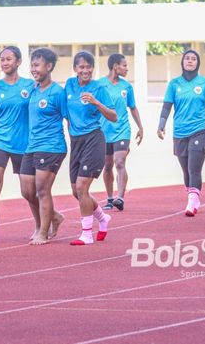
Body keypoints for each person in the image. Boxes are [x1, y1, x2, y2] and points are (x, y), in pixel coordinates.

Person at [0, 46, 38, 244]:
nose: (5, 63)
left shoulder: (30, 86)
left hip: (24, 144)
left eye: (9, 59)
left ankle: (40, 225)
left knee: (29, 191)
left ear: (19, 62)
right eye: (2, 59)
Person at [65, 51, 117, 245]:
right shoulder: (69, 85)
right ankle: (103, 218)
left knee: (82, 187)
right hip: (75, 141)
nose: (85, 70)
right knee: (75, 191)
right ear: (75, 69)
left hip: (94, 139)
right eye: (81, 67)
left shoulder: (99, 88)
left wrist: (96, 102)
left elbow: (113, 116)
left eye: (88, 67)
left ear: (93, 69)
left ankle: (86, 234)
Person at [158, 49, 205, 218]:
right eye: (187, 58)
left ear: (198, 63)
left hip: (199, 131)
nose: (190, 61)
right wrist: (161, 125)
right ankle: (194, 197)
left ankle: (191, 202)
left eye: (193, 59)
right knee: (186, 172)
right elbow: (167, 106)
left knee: (194, 168)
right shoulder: (174, 84)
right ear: (182, 62)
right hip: (180, 132)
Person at [21, 48, 67, 245]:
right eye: (32, 65)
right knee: (27, 191)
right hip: (31, 146)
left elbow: (69, 119)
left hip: (51, 146)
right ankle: (54, 217)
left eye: (37, 65)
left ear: (49, 66)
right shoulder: (32, 89)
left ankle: (42, 231)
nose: (33, 69)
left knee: (42, 190)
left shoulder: (57, 92)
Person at [99, 53, 143, 211]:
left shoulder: (126, 87)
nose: (127, 68)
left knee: (119, 162)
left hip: (122, 130)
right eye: (124, 65)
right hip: (104, 131)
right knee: (107, 165)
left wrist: (140, 127)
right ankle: (110, 198)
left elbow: (132, 107)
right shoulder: (99, 85)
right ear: (115, 66)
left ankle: (120, 198)